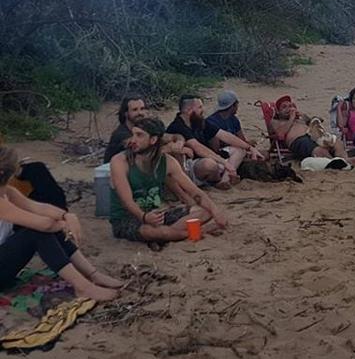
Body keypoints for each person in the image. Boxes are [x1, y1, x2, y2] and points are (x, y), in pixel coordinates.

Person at [0, 146, 122, 301]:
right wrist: (64, 224)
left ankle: (93, 274)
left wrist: (67, 216)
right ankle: (83, 287)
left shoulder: (8, 192)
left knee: (48, 227)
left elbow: (38, 207)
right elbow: (42, 224)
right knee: (37, 232)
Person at [109, 117, 228, 245]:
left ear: (153, 140)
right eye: (133, 134)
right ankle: (199, 231)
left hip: (156, 215)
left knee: (206, 211)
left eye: (139, 135)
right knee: (156, 232)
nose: (133, 140)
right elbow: (127, 201)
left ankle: (171, 233)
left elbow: (195, 192)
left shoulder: (167, 162)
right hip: (127, 219)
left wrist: (216, 211)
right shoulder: (120, 162)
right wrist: (144, 217)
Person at [167, 95, 264, 187]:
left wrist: (249, 148)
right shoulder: (178, 126)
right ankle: (220, 176)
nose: (203, 110)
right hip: (191, 165)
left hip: (209, 157)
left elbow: (224, 135)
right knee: (209, 165)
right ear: (189, 110)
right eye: (200, 107)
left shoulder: (199, 122)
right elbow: (198, 149)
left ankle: (225, 180)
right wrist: (225, 163)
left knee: (239, 150)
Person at [269, 95, 349, 162]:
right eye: (284, 107)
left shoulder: (299, 118)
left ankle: (345, 160)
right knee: (319, 151)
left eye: (290, 106)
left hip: (313, 136)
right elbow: (280, 134)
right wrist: (291, 118)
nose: (288, 109)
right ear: (278, 112)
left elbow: (317, 121)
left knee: (337, 142)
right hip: (299, 140)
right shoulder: (276, 121)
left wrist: (303, 115)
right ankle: (336, 163)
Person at [207, 90, 265, 157]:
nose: (238, 107)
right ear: (233, 106)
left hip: (233, 149)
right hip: (219, 154)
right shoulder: (211, 122)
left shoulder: (234, 120)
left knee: (264, 154)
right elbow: (216, 148)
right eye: (237, 104)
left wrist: (249, 143)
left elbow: (242, 140)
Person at [103, 95, 147, 163]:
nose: (140, 113)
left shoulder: (140, 130)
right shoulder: (120, 134)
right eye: (135, 110)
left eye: (142, 109)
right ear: (125, 113)